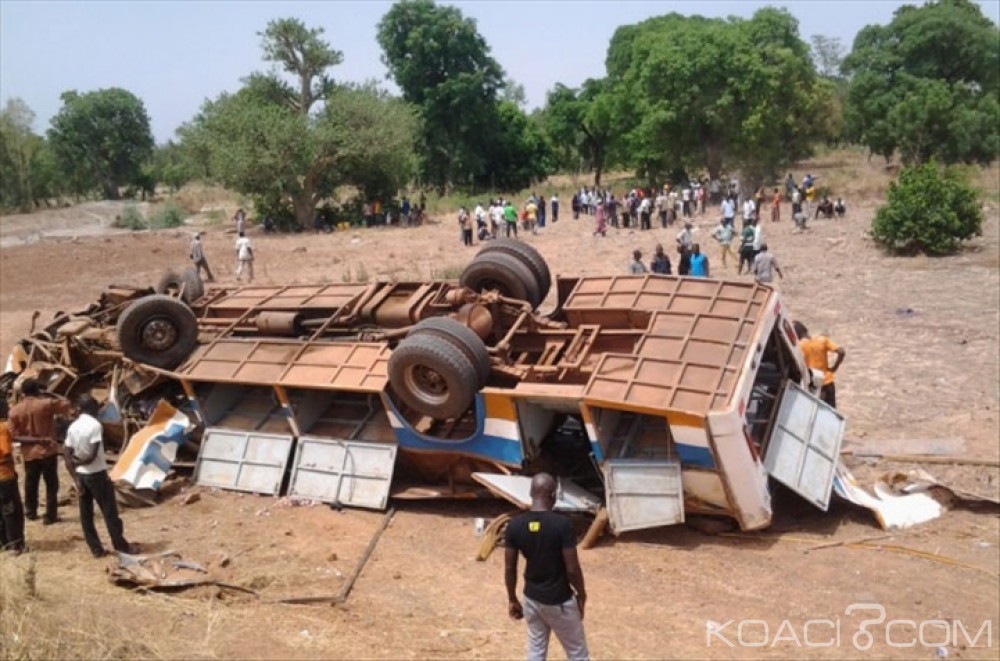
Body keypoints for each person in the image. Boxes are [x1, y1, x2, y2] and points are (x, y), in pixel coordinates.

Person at [504, 473, 589, 661]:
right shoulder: (562, 525)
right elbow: (572, 569)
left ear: (530, 493)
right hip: (559, 601)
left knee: (536, 651)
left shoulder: (515, 525)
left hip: (531, 599)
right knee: (577, 654)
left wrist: (512, 599)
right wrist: (582, 594)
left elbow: (510, 568)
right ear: (553, 495)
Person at [64, 395, 137, 558]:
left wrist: (76, 477)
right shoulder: (95, 425)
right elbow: (92, 456)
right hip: (97, 474)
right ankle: (121, 546)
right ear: (92, 408)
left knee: (86, 515)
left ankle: (96, 549)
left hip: (81, 475)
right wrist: (81, 461)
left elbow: (67, 454)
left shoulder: (73, 426)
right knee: (110, 513)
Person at [8, 378, 71, 525]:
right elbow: (66, 403)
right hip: (48, 451)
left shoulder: (15, 410)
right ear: (37, 390)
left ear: (22, 392)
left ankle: (31, 512)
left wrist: (35, 440)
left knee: (31, 484)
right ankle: (50, 515)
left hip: (29, 453)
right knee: (51, 485)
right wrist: (48, 393)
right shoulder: (46, 404)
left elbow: (13, 436)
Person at [793, 322, 846, 408]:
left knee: (817, 410)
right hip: (828, 382)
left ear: (797, 335)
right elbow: (841, 352)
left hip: (815, 384)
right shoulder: (822, 340)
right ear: (806, 330)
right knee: (831, 410)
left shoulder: (799, 347)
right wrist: (834, 368)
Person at [0, 398, 26, 554]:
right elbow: (5, 453)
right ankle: (15, 544)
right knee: (11, 510)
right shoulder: (3, 428)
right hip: (4, 476)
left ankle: (3, 542)